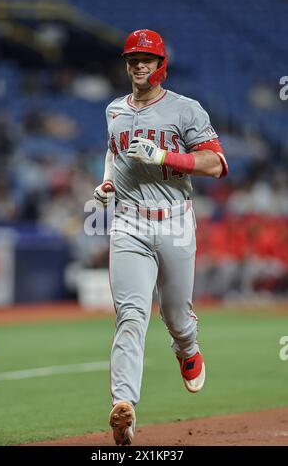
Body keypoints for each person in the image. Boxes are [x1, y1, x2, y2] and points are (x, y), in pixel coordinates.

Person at [93, 29, 228, 446]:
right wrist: (108, 183)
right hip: (129, 223)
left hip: (173, 220)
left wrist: (166, 156)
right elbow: (114, 153)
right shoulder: (114, 110)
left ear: (161, 64)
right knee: (131, 316)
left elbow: (217, 164)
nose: (138, 65)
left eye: (146, 58)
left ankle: (187, 348)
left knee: (176, 316)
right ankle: (125, 408)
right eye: (133, 58)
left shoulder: (186, 111)